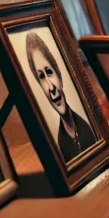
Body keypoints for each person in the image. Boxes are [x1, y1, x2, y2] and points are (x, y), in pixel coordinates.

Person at [25, 32, 97, 162]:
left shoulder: (89, 128)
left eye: (49, 72)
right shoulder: (61, 143)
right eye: (41, 77)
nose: (50, 87)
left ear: (59, 76)